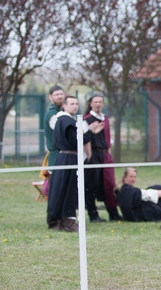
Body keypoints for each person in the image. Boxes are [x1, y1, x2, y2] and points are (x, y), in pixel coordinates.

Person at [46, 95, 95, 232]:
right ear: (65, 106)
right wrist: (91, 132)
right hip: (68, 159)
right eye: (72, 103)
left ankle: (59, 221)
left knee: (62, 189)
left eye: (76, 104)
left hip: (65, 158)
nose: (75, 106)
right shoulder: (66, 120)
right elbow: (77, 141)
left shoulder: (63, 120)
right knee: (69, 190)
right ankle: (68, 221)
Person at [83, 93, 121, 222]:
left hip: (105, 155)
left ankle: (113, 213)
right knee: (92, 185)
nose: (98, 104)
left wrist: (108, 151)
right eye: (96, 102)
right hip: (93, 154)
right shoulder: (87, 119)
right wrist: (89, 156)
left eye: (100, 102)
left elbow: (107, 137)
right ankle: (93, 215)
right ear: (90, 104)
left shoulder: (105, 118)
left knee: (109, 184)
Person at [43, 85, 65, 169]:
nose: (60, 96)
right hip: (56, 157)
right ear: (50, 97)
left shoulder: (63, 112)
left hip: (64, 156)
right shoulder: (51, 114)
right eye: (57, 94)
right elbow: (63, 132)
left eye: (61, 94)